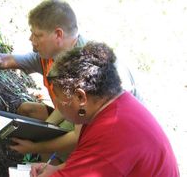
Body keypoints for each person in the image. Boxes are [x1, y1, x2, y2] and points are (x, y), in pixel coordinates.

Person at [0, 0, 138, 159]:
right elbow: (5, 60)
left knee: (48, 143)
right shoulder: (48, 55)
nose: (31, 40)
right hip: (72, 113)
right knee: (28, 111)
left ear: (57, 34)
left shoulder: (85, 66)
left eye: (36, 35)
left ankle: (51, 163)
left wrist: (38, 144)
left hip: (104, 134)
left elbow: (79, 134)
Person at [30, 41, 179, 177]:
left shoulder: (112, 132)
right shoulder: (114, 105)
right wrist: (58, 169)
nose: (56, 103)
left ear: (81, 98)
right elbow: (89, 161)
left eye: (58, 97)